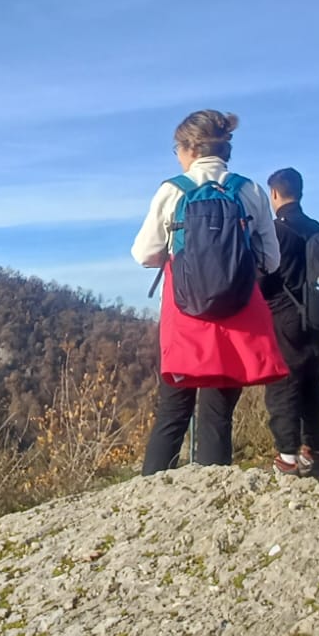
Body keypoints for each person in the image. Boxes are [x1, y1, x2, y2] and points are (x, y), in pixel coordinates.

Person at [131, 109, 284, 476]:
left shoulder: (173, 190)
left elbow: (144, 254)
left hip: (185, 314)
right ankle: (212, 493)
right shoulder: (250, 190)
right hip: (238, 312)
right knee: (218, 414)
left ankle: (154, 492)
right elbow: (272, 260)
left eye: (177, 149)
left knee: (173, 411)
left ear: (190, 148)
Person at [259, 168, 319, 479]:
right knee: (311, 382)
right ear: (299, 192)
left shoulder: (276, 231)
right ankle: (314, 452)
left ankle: (287, 457)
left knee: (283, 384)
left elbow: (263, 279)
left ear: (274, 193)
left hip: (284, 316)